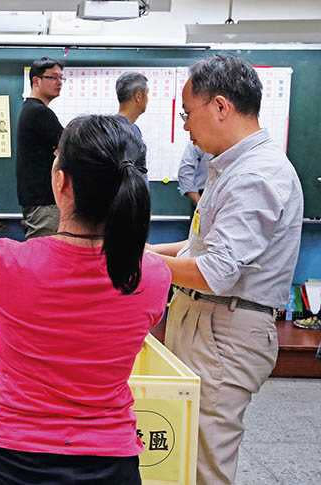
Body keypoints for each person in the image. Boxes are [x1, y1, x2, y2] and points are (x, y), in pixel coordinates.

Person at [0, 115, 170, 485]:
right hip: (110, 459)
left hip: (14, 458)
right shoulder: (151, 274)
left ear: (61, 181)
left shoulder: (8, 261)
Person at [149, 55, 303, 485]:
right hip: (206, 319)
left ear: (220, 106)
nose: (185, 126)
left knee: (204, 464)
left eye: (187, 114)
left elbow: (215, 271)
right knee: (183, 450)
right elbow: (200, 247)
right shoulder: (232, 167)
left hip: (224, 330)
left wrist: (139, 262)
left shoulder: (257, 173)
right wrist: (145, 250)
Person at [17, 57, 65, 238]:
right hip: (44, 202)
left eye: (61, 78)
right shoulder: (39, 112)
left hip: (39, 201)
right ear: (36, 81)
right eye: (53, 77)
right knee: (42, 260)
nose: (59, 82)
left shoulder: (31, 109)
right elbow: (69, 148)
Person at [116, 72, 149, 172]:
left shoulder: (134, 129)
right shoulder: (120, 131)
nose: (148, 99)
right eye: (147, 94)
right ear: (138, 96)